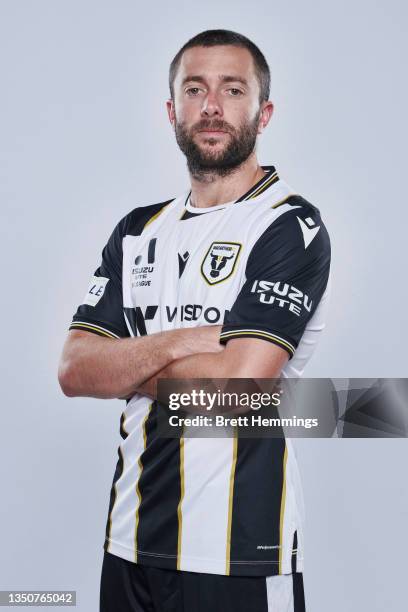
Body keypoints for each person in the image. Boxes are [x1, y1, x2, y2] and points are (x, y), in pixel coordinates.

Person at [58, 29, 331, 612]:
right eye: (195, 89)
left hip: (239, 556)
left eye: (233, 90)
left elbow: (239, 388)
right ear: (171, 110)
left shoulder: (290, 227)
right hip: (128, 544)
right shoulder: (137, 231)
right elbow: (76, 371)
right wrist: (183, 342)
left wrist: (126, 366)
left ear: (264, 112)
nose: (212, 106)